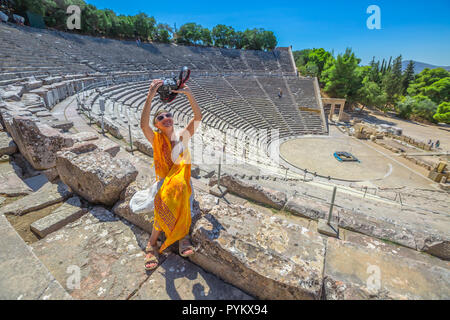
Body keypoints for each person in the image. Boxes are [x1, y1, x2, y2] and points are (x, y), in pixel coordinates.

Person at [140, 79, 202, 270]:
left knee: (179, 189)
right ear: (157, 125)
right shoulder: (156, 138)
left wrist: (189, 94)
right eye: (161, 118)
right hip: (165, 181)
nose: (166, 118)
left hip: (181, 181)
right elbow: (143, 126)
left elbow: (198, 117)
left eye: (168, 114)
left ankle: (153, 243)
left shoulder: (183, 135)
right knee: (166, 196)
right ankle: (179, 239)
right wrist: (150, 95)